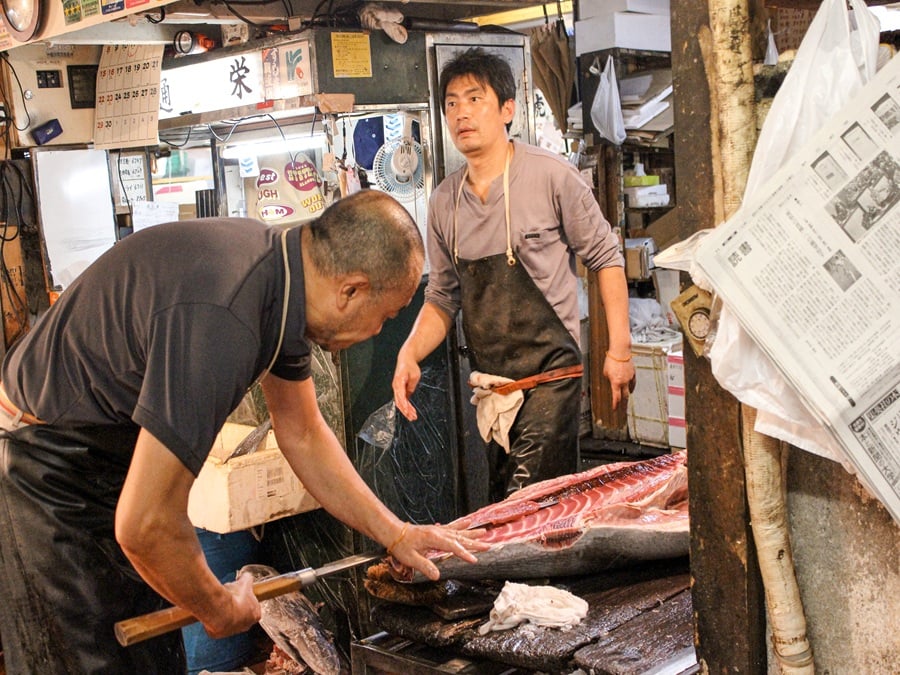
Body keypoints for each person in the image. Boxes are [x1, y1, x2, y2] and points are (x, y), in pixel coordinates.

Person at [0, 189, 487, 674]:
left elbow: (302, 432)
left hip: (103, 457)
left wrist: (396, 533)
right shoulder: (225, 315)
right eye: (387, 316)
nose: (381, 332)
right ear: (351, 290)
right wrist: (218, 607)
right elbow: (144, 524)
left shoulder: (283, 281)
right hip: (48, 469)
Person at [392, 48, 634, 501]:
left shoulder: (551, 176)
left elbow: (606, 257)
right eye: (451, 103)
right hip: (492, 390)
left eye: (474, 99)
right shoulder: (445, 201)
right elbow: (443, 297)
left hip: (551, 380)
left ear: (507, 109)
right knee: (510, 509)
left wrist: (619, 349)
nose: (461, 113)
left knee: (529, 509)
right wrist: (410, 353)